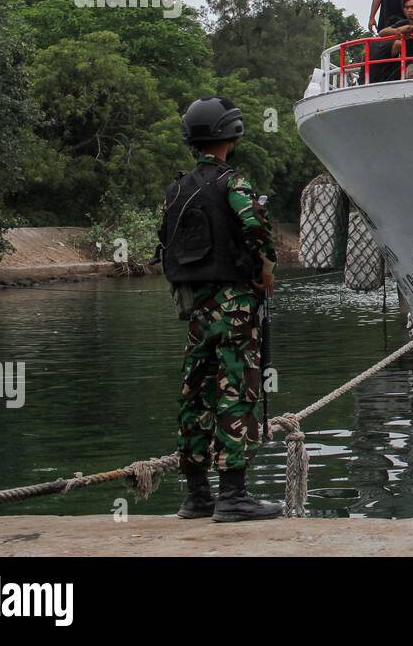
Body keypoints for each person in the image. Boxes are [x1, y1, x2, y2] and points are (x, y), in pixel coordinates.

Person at [158, 96, 282, 522]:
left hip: (195, 308)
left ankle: (196, 495)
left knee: (194, 393)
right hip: (234, 305)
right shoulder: (234, 184)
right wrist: (264, 271)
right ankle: (232, 496)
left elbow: (167, 245)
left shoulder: (176, 189)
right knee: (236, 390)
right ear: (231, 135)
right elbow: (256, 229)